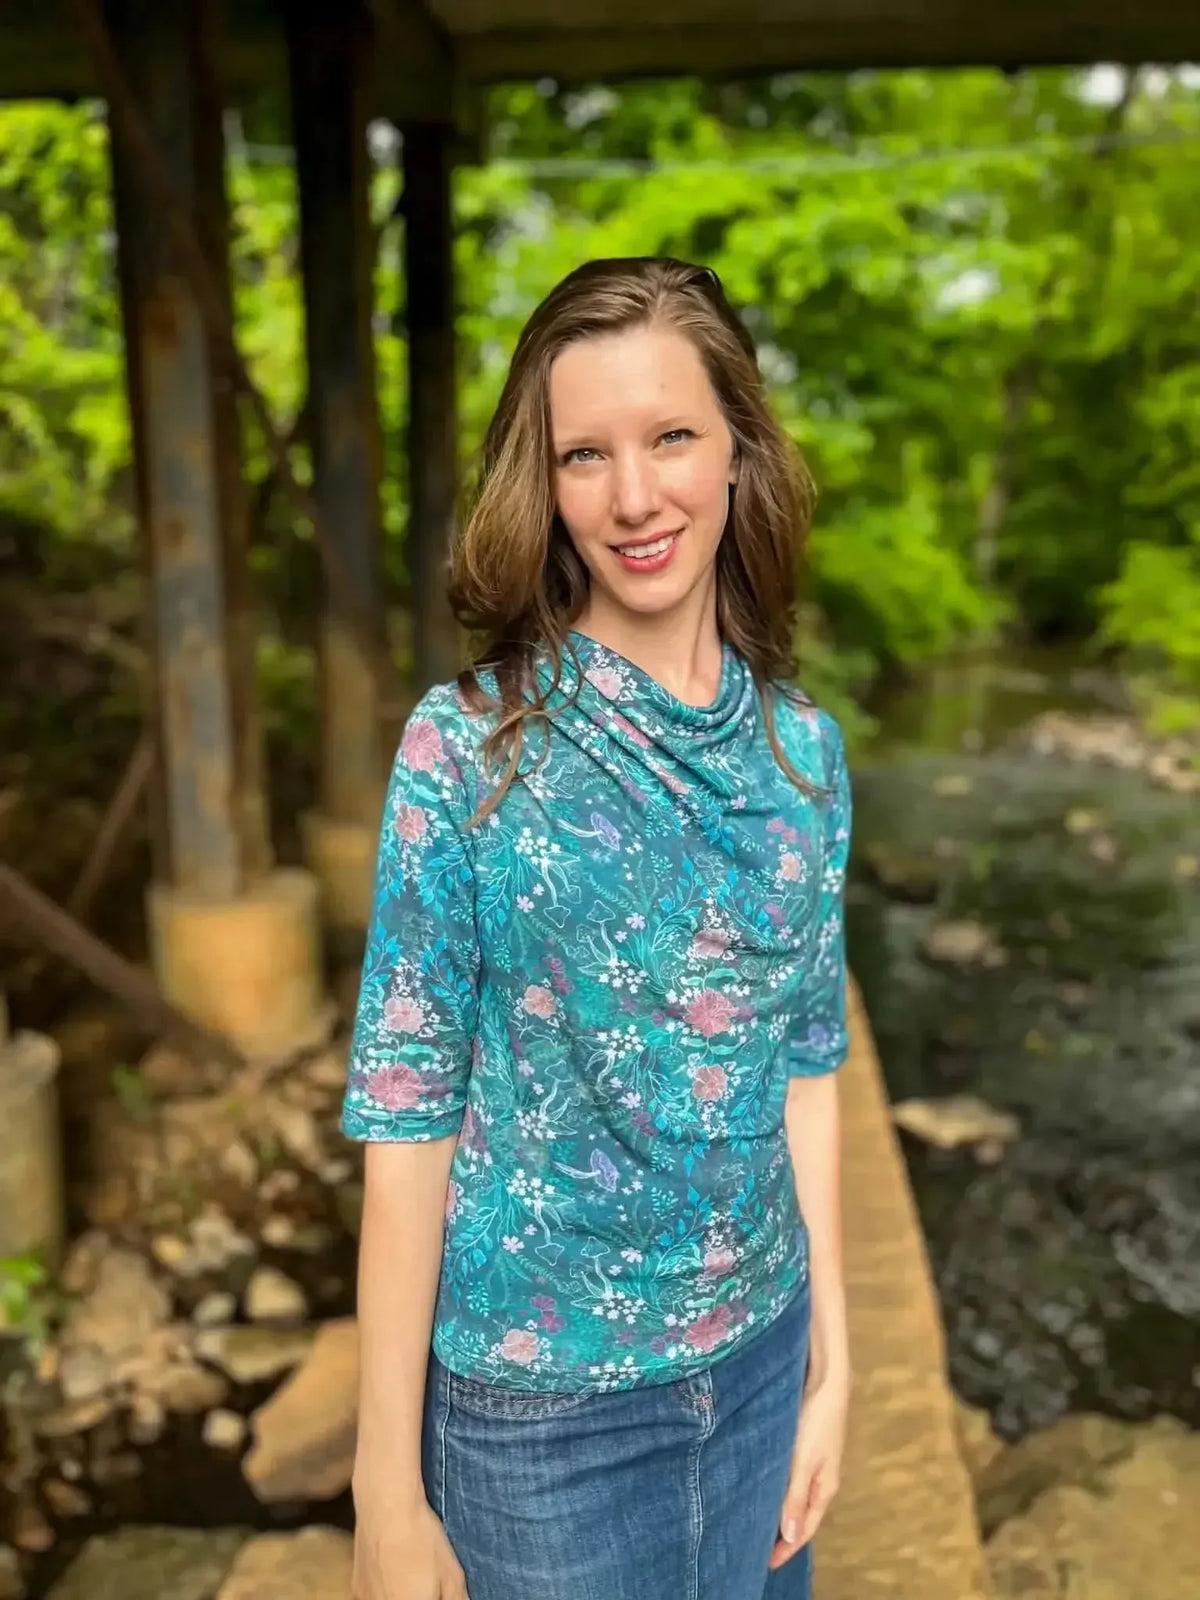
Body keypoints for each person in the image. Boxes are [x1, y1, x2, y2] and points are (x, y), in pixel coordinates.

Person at [342, 256, 852, 1600]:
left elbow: (806, 1070)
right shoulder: (467, 751)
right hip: (539, 1429)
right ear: (547, 483)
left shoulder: (805, 759)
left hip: (761, 1367)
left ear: (738, 449)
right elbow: (405, 1120)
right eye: (586, 454)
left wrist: (834, 1369)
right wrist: (383, 1491)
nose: (634, 497)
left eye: (672, 436)